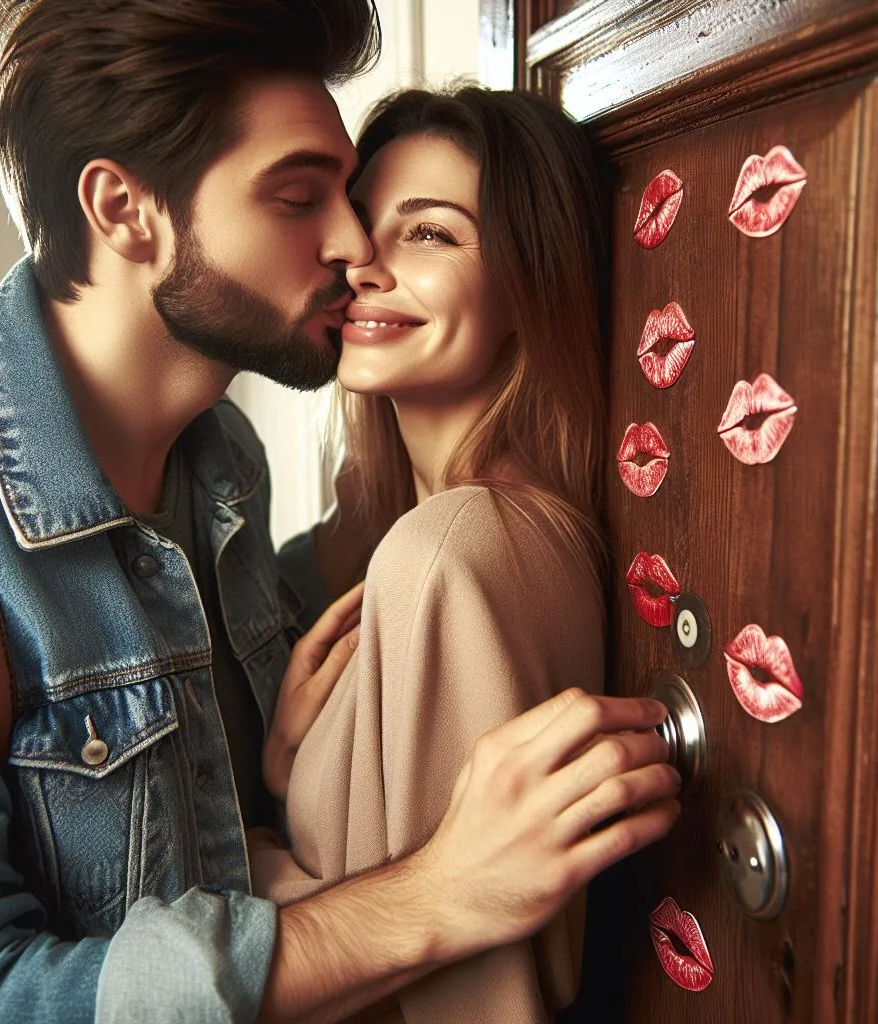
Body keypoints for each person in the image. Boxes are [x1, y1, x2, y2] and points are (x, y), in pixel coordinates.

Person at [0, 3, 681, 1022]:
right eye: (302, 197)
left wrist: (274, 784)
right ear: (124, 209)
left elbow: (223, 849)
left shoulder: (224, 476)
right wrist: (431, 895)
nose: (350, 245)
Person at [251, 86, 635, 1022]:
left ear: (526, 281)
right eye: (361, 228)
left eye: (430, 234)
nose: (365, 269)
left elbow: (466, 987)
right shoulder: (433, 540)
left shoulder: (456, 548)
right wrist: (289, 767)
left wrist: (259, 874)